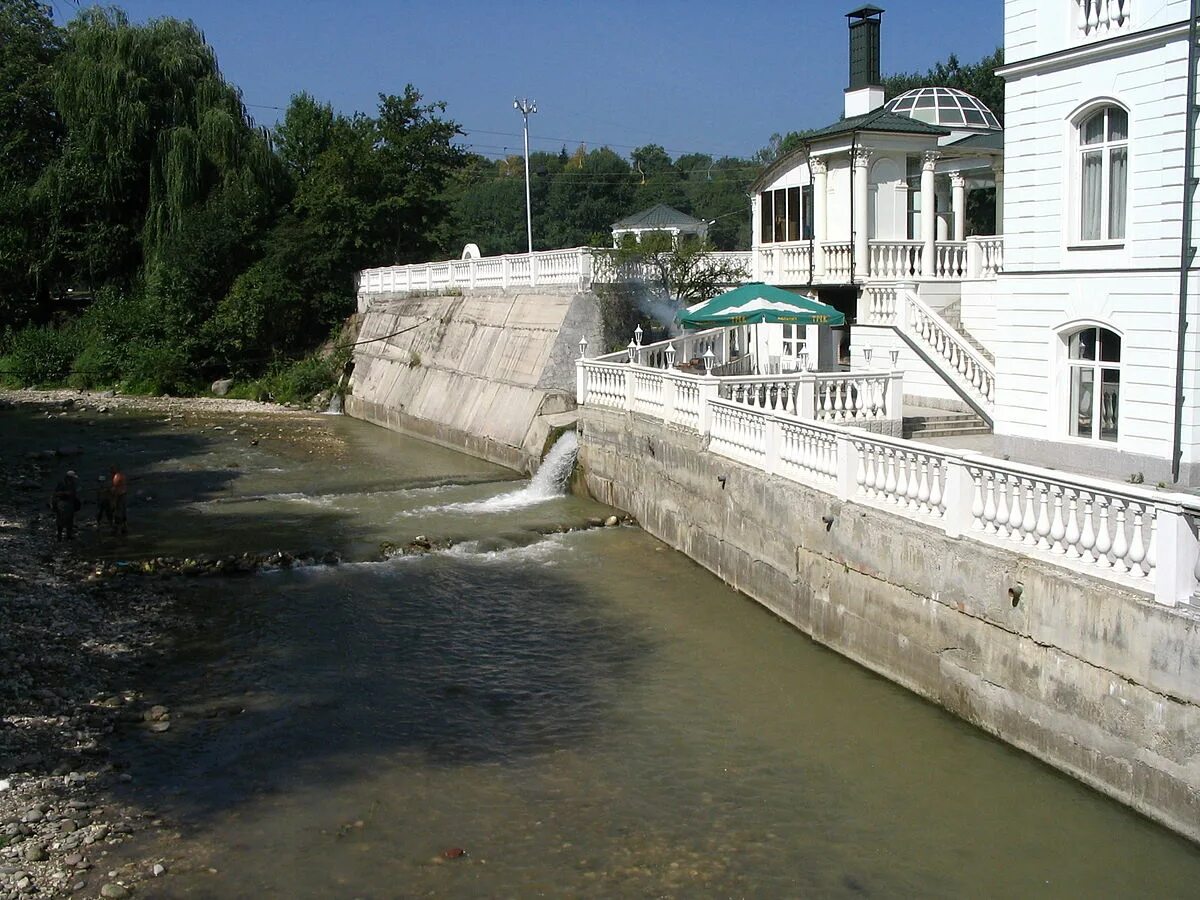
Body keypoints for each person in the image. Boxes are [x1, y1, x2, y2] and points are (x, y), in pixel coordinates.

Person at [51, 470, 81, 541]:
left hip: (70, 503)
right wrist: (65, 493)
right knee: (61, 519)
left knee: (70, 520)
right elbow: (56, 493)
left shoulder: (73, 484)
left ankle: (69, 535)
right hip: (62, 503)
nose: (74, 479)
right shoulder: (62, 483)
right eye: (73, 478)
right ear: (69, 477)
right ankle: (59, 535)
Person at [109, 463, 128, 535]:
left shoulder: (116, 477)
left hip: (119, 496)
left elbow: (115, 489)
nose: (110, 471)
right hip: (124, 495)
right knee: (123, 512)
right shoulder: (123, 476)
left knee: (118, 513)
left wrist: (113, 501)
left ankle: (118, 530)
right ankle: (125, 528)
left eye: (111, 469)